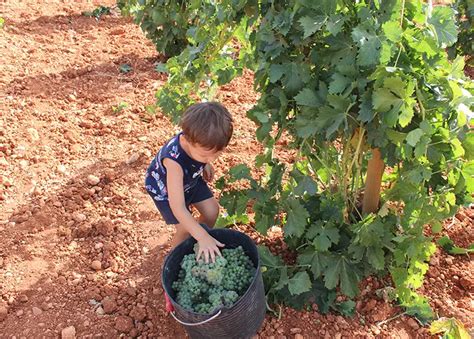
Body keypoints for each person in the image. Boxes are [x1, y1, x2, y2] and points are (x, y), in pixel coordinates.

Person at [144, 102, 233, 263]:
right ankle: (176, 259)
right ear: (186, 140)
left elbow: (206, 153)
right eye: (205, 156)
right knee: (184, 228)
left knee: (212, 211)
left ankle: (198, 239)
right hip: (166, 191)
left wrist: (205, 163)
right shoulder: (173, 162)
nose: (212, 159)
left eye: (216, 154)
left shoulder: (199, 140)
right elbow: (177, 207)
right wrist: (203, 236)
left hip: (190, 179)